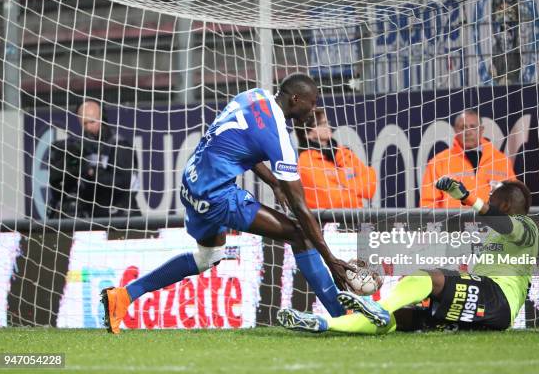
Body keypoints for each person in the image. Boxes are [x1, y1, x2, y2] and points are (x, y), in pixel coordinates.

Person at [101, 73, 353, 334]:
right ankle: (343, 316)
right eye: (311, 103)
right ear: (296, 98)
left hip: (191, 182)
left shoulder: (252, 96)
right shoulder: (278, 136)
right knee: (300, 235)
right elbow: (300, 208)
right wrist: (332, 260)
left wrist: (274, 183)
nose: (313, 110)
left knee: (208, 257)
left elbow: (244, 143)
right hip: (217, 196)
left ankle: (123, 296)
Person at [278, 178, 538, 334]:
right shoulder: (498, 232)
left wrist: (468, 198)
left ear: (504, 205)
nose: (488, 202)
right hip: (487, 312)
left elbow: (505, 225)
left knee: (430, 277)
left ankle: (379, 308)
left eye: (492, 199)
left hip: (499, 298)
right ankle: (324, 323)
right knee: (405, 318)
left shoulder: (526, 226)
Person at [47, 99, 140, 219]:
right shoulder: (79, 147)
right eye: (84, 123)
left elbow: (122, 182)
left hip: (121, 215)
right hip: (93, 215)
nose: (88, 127)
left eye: (92, 122)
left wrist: (91, 173)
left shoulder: (118, 144)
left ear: (102, 118)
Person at [420, 109, 516, 208]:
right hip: (454, 222)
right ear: (455, 130)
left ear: (481, 130)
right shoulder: (439, 162)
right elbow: (428, 204)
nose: (468, 132)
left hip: (494, 222)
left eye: (473, 127)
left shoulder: (502, 160)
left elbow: (514, 198)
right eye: (463, 127)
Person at [296, 108, 377, 208]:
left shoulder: (343, 153)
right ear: (307, 134)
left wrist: (343, 187)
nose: (327, 126)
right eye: (321, 124)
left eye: (326, 122)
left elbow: (370, 182)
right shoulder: (305, 162)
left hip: (355, 217)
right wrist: (355, 191)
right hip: (325, 221)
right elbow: (331, 200)